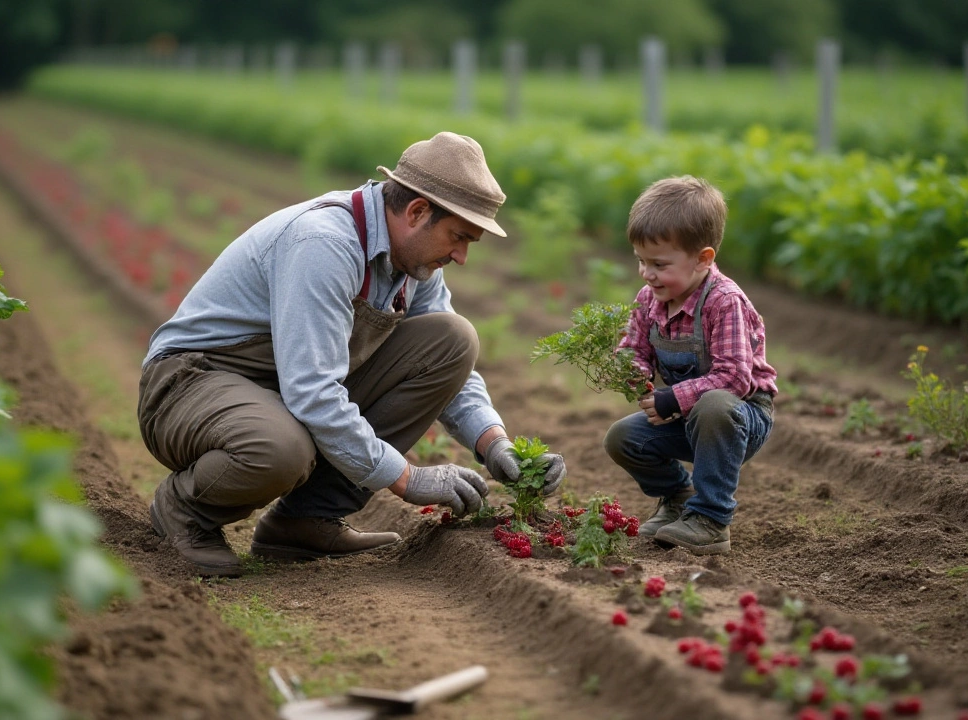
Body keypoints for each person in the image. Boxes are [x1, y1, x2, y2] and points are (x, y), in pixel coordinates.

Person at [137, 132, 566, 576]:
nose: (461, 256)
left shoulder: (413, 263)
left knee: (454, 339)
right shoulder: (324, 244)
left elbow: (448, 363)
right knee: (281, 448)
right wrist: (405, 478)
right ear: (417, 212)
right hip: (191, 384)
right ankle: (185, 511)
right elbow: (313, 391)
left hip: (275, 389)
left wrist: (494, 444)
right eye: (458, 237)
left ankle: (304, 520)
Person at [602, 176, 777, 556]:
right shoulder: (650, 298)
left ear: (703, 258)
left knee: (714, 404)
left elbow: (734, 377)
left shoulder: (724, 302)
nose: (648, 274)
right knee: (622, 438)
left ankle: (711, 519)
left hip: (740, 419)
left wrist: (671, 399)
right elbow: (633, 347)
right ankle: (677, 498)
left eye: (659, 264)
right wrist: (632, 371)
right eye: (641, 262)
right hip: (685, 417)